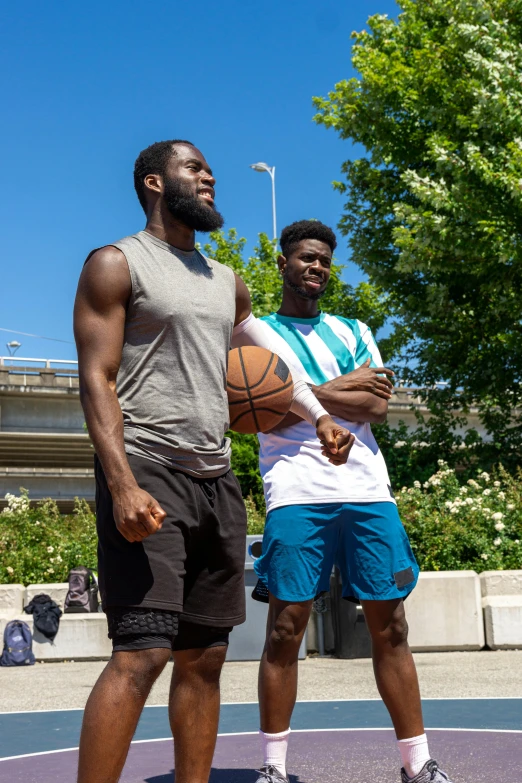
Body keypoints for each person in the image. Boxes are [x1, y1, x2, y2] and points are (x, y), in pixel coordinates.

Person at [73, 142, 353, 783]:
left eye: (208, 170)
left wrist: (320, 416)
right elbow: (96, 380)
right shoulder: (116, 264)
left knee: (204, 656)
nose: (209, 177)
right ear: (153, 181)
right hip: (147, 468)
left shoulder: (227, 281)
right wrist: (120, 484)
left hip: (216, 479)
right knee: (141, 653)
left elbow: (272, 361)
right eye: (193, 168)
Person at [252, 220, 454, 783]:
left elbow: (375, 408)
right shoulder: (255, 334)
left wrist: (290, 391)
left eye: (323, 260)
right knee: (285, 629)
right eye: (305, 258)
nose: (315, 267)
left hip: (366, 489)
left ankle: (418, 765)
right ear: (284, 264)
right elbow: (251, 411)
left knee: (390, 627)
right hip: (295, 490)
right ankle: (272, 767)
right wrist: (340, 388)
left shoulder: (355, 328)